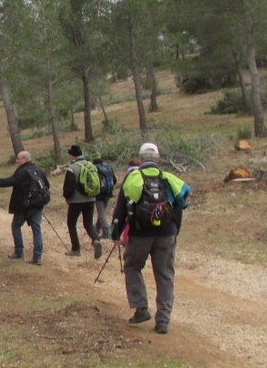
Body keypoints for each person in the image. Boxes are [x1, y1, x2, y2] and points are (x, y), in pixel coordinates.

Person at [108, 142, 191, 334]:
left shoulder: (134, 178)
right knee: (165, 275)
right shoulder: (169, 179)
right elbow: (178, 208)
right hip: (166, 234)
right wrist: (174, 232)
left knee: (132, 266)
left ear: (140, 159)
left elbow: (121, 207)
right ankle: (163, 320)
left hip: (140, 234)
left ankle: (141, 308)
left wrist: (115, 233)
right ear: (158, 159)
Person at [0, 150, 48, 266]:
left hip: (23, 206)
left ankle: (19, 252)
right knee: (36, 230)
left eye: (18, 159)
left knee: (16, 226)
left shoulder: (22, 172)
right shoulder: (39, 170)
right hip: (37, 205)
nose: (16, 161)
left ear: (24, 159)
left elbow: (9, 181)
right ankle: (37, 257)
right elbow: (46, 186)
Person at [63, 145, 102, 259]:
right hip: (91, 199)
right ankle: (95, 240)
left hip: (76, 201)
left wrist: (67, 198)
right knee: (88, 224)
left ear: (72, 155)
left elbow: (68, 188)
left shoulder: (72, 168)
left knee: (71, 224)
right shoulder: (92, 166)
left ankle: (76, 249)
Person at [93, 156, 117, 240]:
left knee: (101, 212)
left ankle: (106, 231)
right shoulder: (109, 167)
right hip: (108, 192)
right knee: (102, 210)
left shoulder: (95, 169)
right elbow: (114, 180)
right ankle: (97, 229)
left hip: (99, 193)